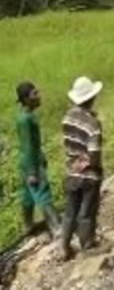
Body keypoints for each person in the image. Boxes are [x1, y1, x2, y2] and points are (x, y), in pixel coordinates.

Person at [60, 76, 104, 260]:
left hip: (71, 171)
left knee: (70, 212)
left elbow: (68, 144)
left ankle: (64, 247)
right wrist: (94, 166)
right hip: (88, 175)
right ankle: (87, 244)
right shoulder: (93, 124)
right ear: (91, 98)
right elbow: (93, 152)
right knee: (87, 211)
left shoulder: (67, 118)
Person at [15, 82, 60, 236]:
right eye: (34, 94)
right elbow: (28, 146)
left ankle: (28, 226)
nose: (38, 96)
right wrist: (32, 172)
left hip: (28, 161)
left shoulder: (26, 116)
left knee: (28, 196)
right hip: (31, 163)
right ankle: (57, 228)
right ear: (26, 99)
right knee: (43, 192)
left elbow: (31, 145)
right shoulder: (25, 120)